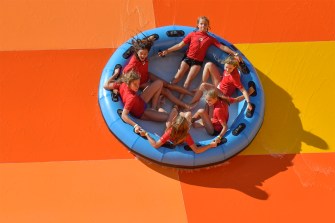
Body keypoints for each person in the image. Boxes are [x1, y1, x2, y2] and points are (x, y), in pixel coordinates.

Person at [158, 16, 241, 99]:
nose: (203, 26)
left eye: (205, 24)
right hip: (187, 58)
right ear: (197, 25)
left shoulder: (210, 38)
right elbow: (180, 45)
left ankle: (178, 104)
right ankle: (163, 95)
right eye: (201, 24)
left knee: (187, 82)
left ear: (208, 26)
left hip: (197, 62)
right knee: (177, 76)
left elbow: (222, 47)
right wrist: (167, 51)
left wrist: (234, 53)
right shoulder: (192, 34)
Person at [104, 35, 194, 110]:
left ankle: (190, 93)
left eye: (145, 54)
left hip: (147, 75)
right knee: (166, 91)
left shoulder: (143, 53)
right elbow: (123, 80)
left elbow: (145, 45)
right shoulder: (131, 66)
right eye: (141, 54)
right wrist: (116, 84)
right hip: (142, 83)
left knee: (169, 85)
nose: (143, 56)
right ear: (137, 52)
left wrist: (149, 39)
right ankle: (184, 105)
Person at [140, 106, 217, 154]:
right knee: (188, 114)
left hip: (170, 131)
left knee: (174, 111)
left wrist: (146, 134)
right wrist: (210, 145)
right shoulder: (186, 135)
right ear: (187, 127)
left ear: (174, 123)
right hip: (178, 132)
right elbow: (197, 150)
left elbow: (155, 145)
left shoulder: (170, 131)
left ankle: (175, 108)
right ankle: (179, 109)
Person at [189, 56, 253, 111]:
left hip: (222, 93)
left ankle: (190, 104)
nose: (227, 70)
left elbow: (243, 90)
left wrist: (248, 103)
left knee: (203, 86)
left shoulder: (234, 78)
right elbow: (237, 57)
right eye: (226, 67)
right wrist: (237, 55)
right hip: (220, 84)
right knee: (209, 64)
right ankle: (199, 88)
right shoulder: (231, 63)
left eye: (230, 68)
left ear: (234, 67)